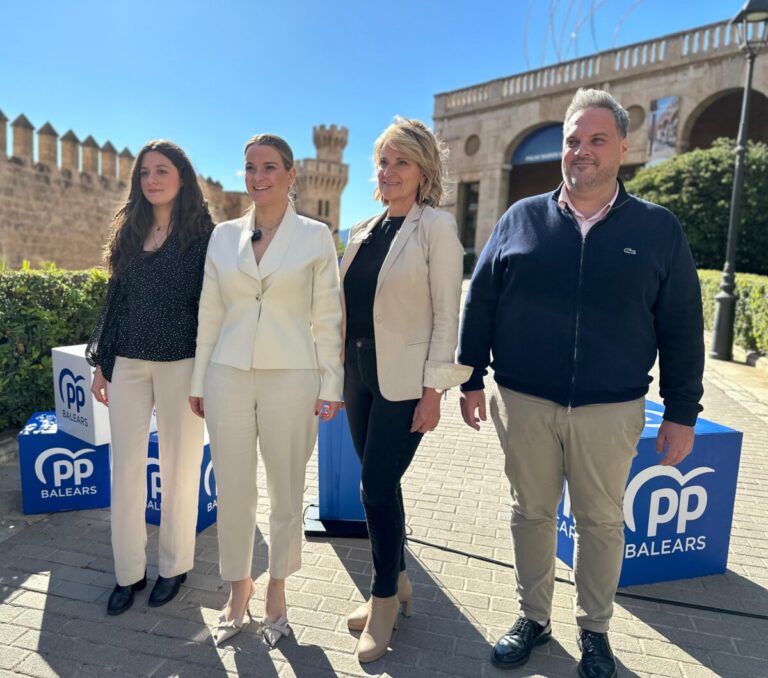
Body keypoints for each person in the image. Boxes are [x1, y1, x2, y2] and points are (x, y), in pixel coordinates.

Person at [458, 88, 704, 678]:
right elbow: (482, 301)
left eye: (596, 140)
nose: (581, 152)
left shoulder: (657, 229)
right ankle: (533, 620)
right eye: (572, 140)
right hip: (523, 401)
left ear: (624, 146)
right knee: (531, 513)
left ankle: (595, 631)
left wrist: (683, 412)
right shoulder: (521, 219)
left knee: (600, 522)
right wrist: (469, 377)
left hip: (611, 409)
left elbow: (682, 326)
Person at [189, 134, 343, 647]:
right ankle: (239, 587)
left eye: (270, 167)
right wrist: (198, 380)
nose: (258, 176)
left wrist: (332, 384)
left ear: (291, 174)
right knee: (233, 488)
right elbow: (210, 310)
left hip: (292, 376)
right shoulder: (222, 237)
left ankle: (277, 588)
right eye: (250, 167)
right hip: (226, 374)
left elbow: (327, 316)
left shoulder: (316, 236)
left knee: (285, 489)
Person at [339, 117, 471, 663]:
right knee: (380, 482)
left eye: (401, 162)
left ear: (424, 171)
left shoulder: (435, 227)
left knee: (374, 485)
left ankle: (385, 597)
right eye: (384, 161)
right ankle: (400, 577)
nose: (389, 171)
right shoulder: (362, 229)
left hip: (404, 384)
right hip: (357, 376)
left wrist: (434, 390)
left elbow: (447, 313)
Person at [87, 140, 214, 615]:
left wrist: (205, 376)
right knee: (125, 471)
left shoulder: (205, 235)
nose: (152, 180)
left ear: (182, 176)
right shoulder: (130, 230)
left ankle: (175, 565)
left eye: (162, 171)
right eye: (144, 173)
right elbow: (115, 301)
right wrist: (103, 363)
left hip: (183, 365)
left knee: (180, 470)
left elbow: (212, 310)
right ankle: (128, 573)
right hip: (130, 366)